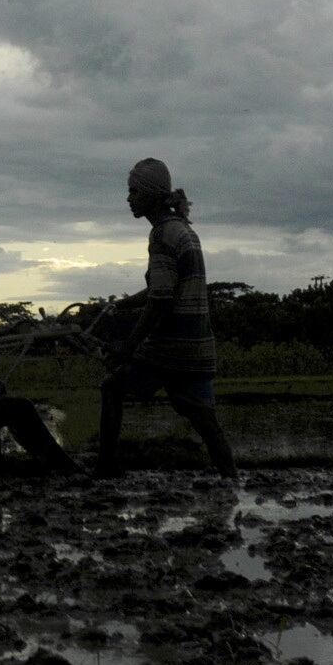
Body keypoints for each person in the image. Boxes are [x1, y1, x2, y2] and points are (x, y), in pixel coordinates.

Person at [95, 158, 236, 478]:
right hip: (195, 343)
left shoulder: (161, 236)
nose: (128, 198)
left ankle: (105, 468)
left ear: (149, 195)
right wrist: (123, 304)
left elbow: (160, 300)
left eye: (133, 192)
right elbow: (163, 287)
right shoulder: (182, 230)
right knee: (206, 421)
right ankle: (232, 482)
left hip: (169, 347)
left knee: (112, 388)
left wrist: (129, 345)